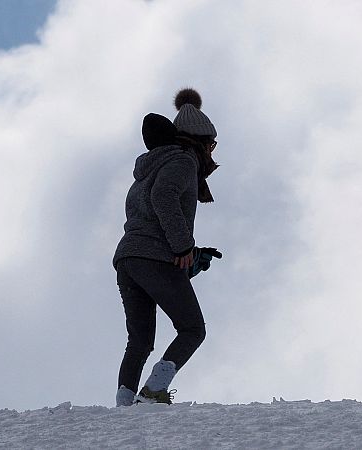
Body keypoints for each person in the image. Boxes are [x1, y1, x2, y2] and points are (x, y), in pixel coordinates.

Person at [112, 88, 220, 406]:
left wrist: (188, 255)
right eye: (211, 143)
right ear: (200, 141)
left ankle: (124, 403)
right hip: (153, 257)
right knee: (192, 329)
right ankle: (154, 392)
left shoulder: (148, 170)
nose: (213, 151)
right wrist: (183, 246)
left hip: (129, 259)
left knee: (140, 340)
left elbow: (150, 215)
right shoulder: (183, 161)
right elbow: (164, 198)